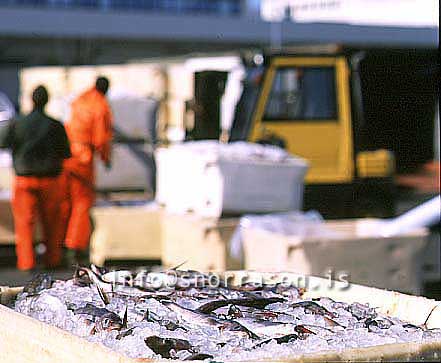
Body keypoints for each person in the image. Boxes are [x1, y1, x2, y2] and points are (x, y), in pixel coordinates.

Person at [0, 86, 71, 271]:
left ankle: (26, 263)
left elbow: (4, 143)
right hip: (50, 180)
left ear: (31, 100)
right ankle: (52, 260)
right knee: (52, 224)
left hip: (24, 180)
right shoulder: (55, 125)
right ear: (47, 101)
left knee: (24, 223)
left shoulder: (18, 123)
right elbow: (66, 153)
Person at [62, 77, 113, 263]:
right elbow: (101, 138)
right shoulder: (101, 106)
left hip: (67, 155)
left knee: (66, 200)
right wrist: (106, 159)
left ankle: (61, 242)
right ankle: (75, 246)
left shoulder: (79, 99)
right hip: (83, 158)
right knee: (82, 202)